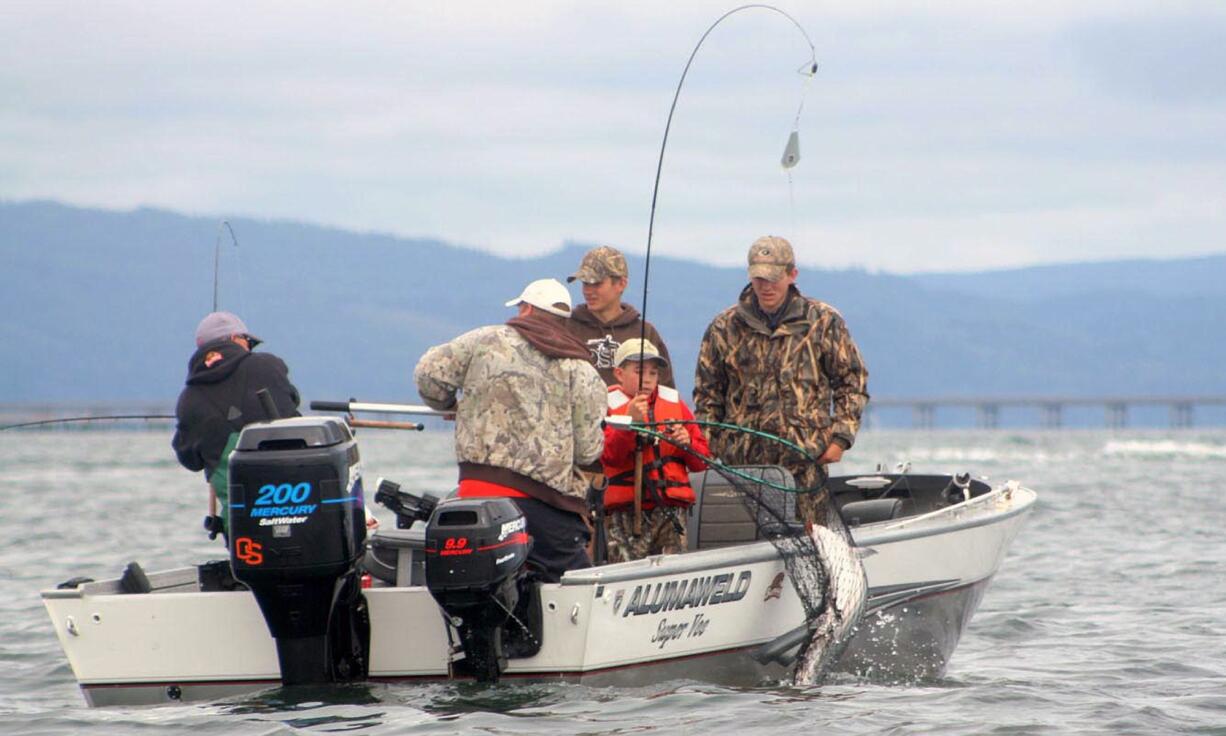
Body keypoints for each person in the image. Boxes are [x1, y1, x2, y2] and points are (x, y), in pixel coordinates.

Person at [414, 278, 607, 582]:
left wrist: (451, 404)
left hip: (476, 492)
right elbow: (587, 451)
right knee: (574, 584)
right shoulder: (581, 370)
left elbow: (428, 374)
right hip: (547, 507)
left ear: (527, 309)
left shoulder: (485, 341)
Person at [693, 236, 869, 527]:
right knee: (744, 545)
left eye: (774, 278)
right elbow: (707, 393)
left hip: (805, 464)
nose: (766, 286)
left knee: (811, 545)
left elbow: (852, 381)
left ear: (792, 275)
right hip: (744, 467)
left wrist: (840, 439)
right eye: (759, 278)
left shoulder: (823, 321)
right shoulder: (724, 327)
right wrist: (714, 446)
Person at [172, 311, 300, 539]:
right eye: (248, 341)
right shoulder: (269, 366)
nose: (250, 348)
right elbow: (293, 404)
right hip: (300, 513)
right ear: (234, 339)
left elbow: (189, 460)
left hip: (242, 533)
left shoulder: (188, 399)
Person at [601, 339, 709, 563]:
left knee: (673, 578)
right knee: (626, 579)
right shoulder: (607, 406)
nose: (648, 378)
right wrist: (629, 423)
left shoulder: (675, 404)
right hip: (625, 516)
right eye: (640, 371)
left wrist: (686, 444)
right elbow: (610, 456)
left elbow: (702, 461)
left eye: (653, 372)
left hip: (670, 513)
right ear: (619, 374)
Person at [565, 245, 675, 388]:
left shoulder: (646, 333)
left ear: (621, 284)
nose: (588, 291)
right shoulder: (566, 327)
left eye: (596, 283)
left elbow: (665, 390)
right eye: (585, 283)